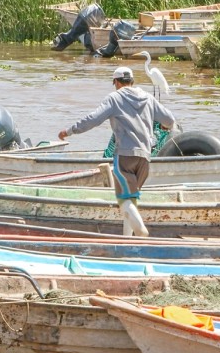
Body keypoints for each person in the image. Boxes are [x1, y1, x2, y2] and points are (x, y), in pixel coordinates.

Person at [58, 66, 175, 237]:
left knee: (123, 200)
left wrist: (69, 131)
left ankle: (141, 231)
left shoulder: (114, 98)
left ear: (116, 82)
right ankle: (127, 240)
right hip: (145, 157)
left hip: (125, 157)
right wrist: (166, 125)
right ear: (132, 81)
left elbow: (93, 119)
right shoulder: (148, 98)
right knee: (131, 200)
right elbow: (170, 120)